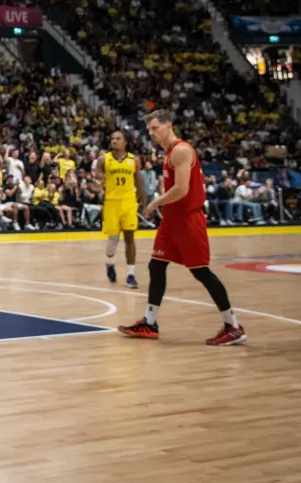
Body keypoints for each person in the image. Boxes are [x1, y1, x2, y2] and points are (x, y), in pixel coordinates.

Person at [118, 110, 247, 346]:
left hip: (188, 219)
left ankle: (233, 325)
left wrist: (156, 201)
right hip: (172, 220)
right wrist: (164, 204)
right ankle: (150, 322)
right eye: (149, 130)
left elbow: (182, 189)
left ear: (168, 125)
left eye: (155, 128)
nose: (151, 133)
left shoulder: (181, 150)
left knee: (201, 272)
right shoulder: (168, 153)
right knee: (156, 265)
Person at [95, 130, 144, 288]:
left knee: (130, 238)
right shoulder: (103, 159)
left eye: (118, 138)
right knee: (113, 239)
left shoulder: (134, 160)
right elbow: (97, 175)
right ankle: (110, 263)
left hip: (129, 201)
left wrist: (145, 203)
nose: (114, 141)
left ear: (125, 142)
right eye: (112, 138)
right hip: (111, 202)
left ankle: (130, 275)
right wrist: (100, 180)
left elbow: (139, 183)